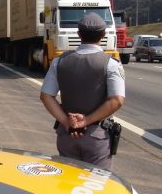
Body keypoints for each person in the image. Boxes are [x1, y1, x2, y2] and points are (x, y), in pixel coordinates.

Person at [40, 13, 126, 169]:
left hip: (67, 135)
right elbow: (116, 100)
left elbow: (46, 96)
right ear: (104, 35)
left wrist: (67, 122)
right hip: (97, 136)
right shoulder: (111, 64)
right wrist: (86, 121)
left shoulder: (59, 61)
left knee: (68, 182)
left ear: (79, 34)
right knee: (96, 185)